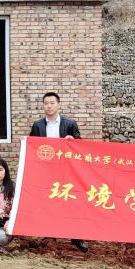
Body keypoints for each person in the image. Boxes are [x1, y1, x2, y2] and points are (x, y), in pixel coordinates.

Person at [29, 92, 86, 251]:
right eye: (46, 103)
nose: (49, 106)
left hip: (67, 171)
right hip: (47, 171)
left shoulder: (69, 123)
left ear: (58, 104)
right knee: (50, 202)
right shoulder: (38, 125)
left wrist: (73, 141)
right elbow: (33, 146)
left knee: (71, 202)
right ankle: (50, 234)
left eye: (52, 103)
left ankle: (76, 237)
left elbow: (80, 145)